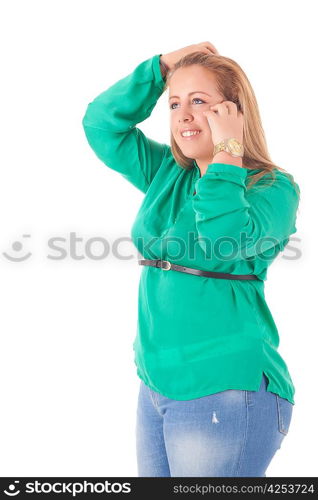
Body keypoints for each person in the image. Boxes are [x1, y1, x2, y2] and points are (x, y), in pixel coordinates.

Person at [82, 42, 301, 477]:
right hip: (156, 385)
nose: (182, 115)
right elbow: (102, 125)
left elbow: (225, 237)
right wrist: (158, 70)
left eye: (199, 102)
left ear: (233, 113)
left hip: (226, 388)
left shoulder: (273, 189)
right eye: (175, 103)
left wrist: (228, 153)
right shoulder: (167, 173)